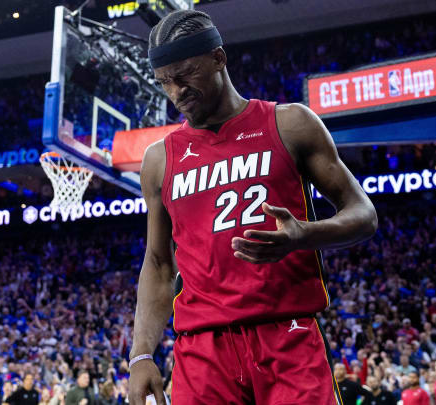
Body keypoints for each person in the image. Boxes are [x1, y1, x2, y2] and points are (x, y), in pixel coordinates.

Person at [128, 9, 377, 405]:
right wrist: (141, 354)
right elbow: (159, 263)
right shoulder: (159, 160)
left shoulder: (291, 123)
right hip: (203, 350)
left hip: (287, 336)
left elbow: (363, 214)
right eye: (164, 82)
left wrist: (304, 235)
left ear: (218, 58)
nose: (176, 92)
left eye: (185, 74)